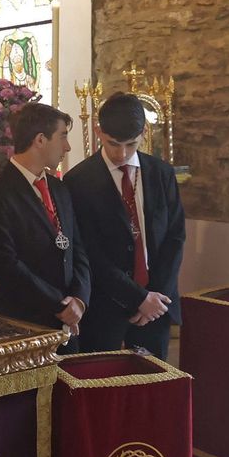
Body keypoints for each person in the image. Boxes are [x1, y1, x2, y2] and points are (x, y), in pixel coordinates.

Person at [65, 92, 187, 358]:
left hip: (158, 306)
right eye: (113, 144)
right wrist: (138, 299)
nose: (121, 154)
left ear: (144, 131)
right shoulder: (79, 181)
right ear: (99, 132)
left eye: (131, 144)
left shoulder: (162, 174)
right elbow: (89, 252)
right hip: (105, 307)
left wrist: (156, 299)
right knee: (102, 388)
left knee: (153, 388)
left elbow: (175, 237)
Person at [0, 103, 90, 348]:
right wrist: (59, 305)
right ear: (40, 140)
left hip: (68, 325)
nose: (67, 147)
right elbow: (5, 265)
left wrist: (79, 299)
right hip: (22, 325)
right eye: (63, 137)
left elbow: (77, 248)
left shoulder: (59, 188)